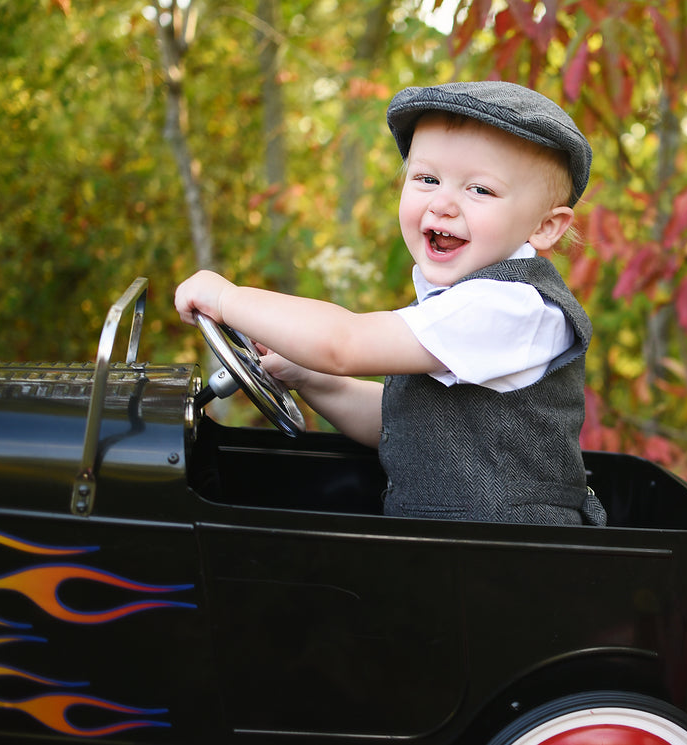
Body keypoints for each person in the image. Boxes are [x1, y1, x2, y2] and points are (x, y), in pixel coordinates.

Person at [175, 80, 607, 526]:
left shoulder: (512, 309)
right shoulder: (461, 299)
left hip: (504, 563)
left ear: (546, 227)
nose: (442, 203)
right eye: (427, 179)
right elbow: (398, 427)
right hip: (446, 555)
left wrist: (228, 299)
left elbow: (343, 343)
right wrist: (309, 378)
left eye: (479, 190)